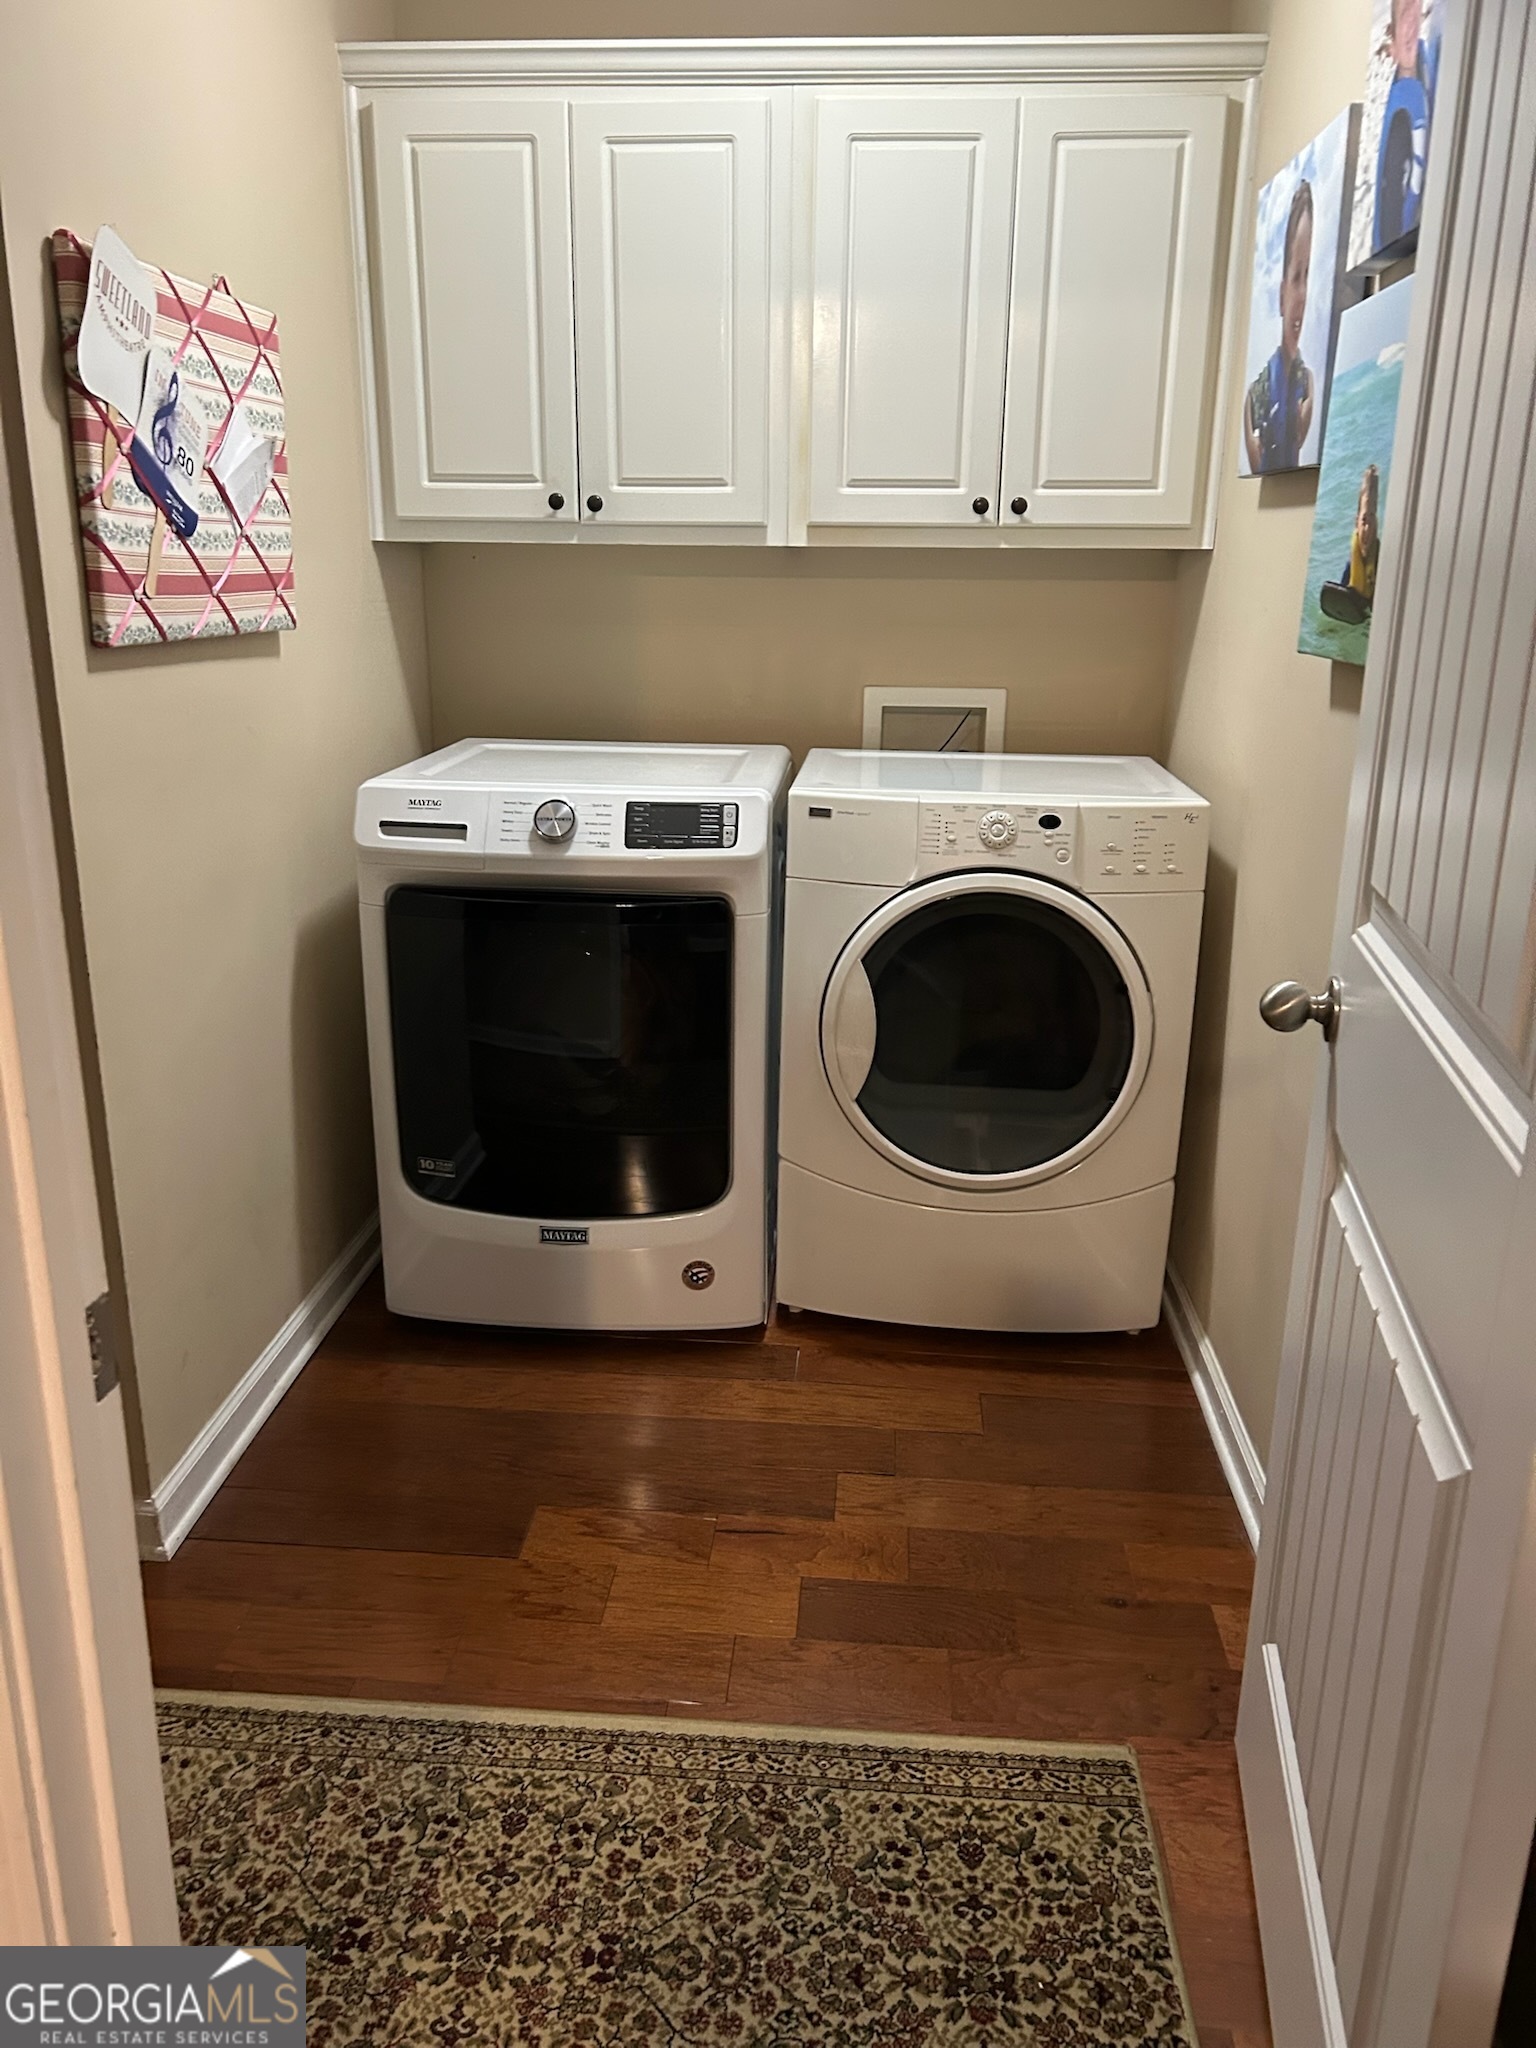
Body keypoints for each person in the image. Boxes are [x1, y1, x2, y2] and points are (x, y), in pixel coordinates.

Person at [1244, 180, 1316, 473]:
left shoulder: (1307, 383)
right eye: (1296, 277)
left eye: (1307, 276)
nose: (1302, 296)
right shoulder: (1255, 395)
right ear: (1281, 293)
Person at [1375, 0, 1436, 250]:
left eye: (1415, 13)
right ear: (1392, 34)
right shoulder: (1398, 111)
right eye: (1404, 18)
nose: (1411, 25)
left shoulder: (1430, 61)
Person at [1319, 464, 1381, 627]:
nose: (1367, 528)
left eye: (1372, 519)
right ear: (1356, 523)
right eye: (1364, 521)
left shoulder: (1380, 558)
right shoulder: (1351, 565)